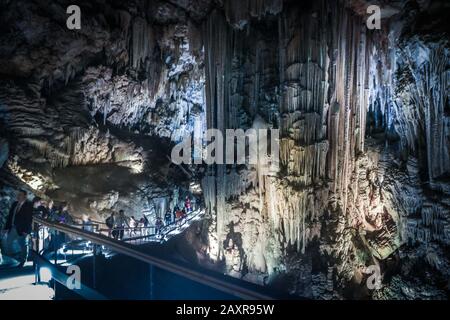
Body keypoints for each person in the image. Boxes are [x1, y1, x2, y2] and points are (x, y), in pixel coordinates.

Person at [2, 189, 33, 267]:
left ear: (25, 196)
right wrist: (6, 228)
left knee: (23, 244)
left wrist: (26, 231)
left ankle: (23, 260)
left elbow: (29, 219)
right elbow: (10, 216)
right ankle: (15, 257)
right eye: (18, 195)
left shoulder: (28, 205)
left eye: (20, 195)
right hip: (13, 227)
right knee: (8, 242)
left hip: (22, 229)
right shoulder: (15, 204)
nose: (18, 196)